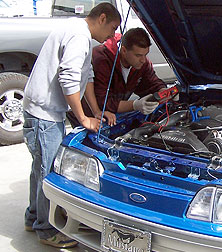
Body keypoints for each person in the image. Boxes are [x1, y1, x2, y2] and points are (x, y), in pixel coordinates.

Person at [22, 2, 121, 248]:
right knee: (48, 172)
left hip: (42, 113)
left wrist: (96, 110)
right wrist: (83, 117)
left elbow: (86, 75)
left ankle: (34, 216)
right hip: (44, 116)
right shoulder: (78, 35)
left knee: (39, 168)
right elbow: (69, 76)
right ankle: (46, 229)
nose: (112, 35)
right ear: (102, 18)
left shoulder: (78, 31)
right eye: (112, 28)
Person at [67, 28, 167, 127]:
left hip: (110, 116)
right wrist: (135, 105)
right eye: (138, 55)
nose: (143, 60)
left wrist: (165, 91)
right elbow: (102, 100)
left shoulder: (141, 63)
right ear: (123, 50)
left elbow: (151, 82)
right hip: (86, 115)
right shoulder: (101, 59)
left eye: (145, 54)